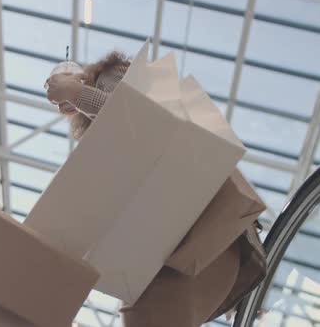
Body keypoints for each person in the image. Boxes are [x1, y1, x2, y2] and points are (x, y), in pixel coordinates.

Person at [45, 51, 266, 326]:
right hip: (195, 244)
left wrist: (78, 93)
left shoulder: (108, 76)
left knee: (139, 314)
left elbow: (148, 120)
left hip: (199, 235)